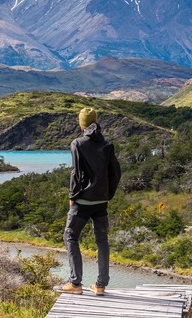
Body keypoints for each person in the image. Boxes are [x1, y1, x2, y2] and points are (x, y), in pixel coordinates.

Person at [55, 107, 122, 296]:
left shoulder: (77, 143)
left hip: (83, 202)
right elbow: (115, 173)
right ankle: (100, 285)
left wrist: (72, 196)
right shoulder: (107, 144)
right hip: (101, 201)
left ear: (81, 123)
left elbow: (75, 173)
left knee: (70, 237)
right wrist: (108, 194)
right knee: (102, 241)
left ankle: (75, 283)